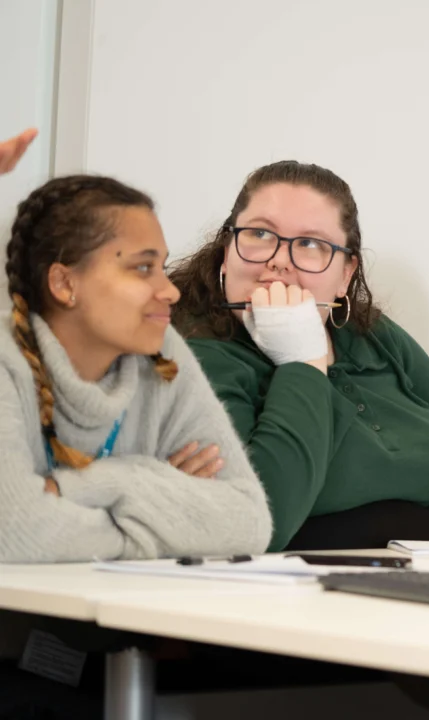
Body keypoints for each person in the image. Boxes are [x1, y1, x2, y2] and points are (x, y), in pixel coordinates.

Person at [169, 160, 429, 551]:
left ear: (346, 272)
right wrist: (303, 360)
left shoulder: (378, 336)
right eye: (260, 233)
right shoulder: (191, 351)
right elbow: (263, 521)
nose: (279, 259)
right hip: (299, 597)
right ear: (227, 248)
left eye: (311, 244)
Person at [0, 174, 271, 562]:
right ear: (64, 283)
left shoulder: (161, 355)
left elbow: (249, 523)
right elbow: (14, 532)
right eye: (143, 268)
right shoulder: (5, 361)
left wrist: (116, 479)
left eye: (162, 266)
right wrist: (168, 511)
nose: (170, 290)